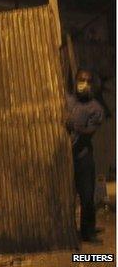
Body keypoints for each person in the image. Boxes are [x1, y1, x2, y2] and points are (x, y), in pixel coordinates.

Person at [66, 69, 105, 243]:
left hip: (83, 157)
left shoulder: (95, 108)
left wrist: (73, 126)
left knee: (87, 197)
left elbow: (89, 132)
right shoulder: (67, 100)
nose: (84, 84)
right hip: (64, 158)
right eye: (81, 80)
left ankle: (88, 232)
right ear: (75, 81)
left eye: (87, 81)